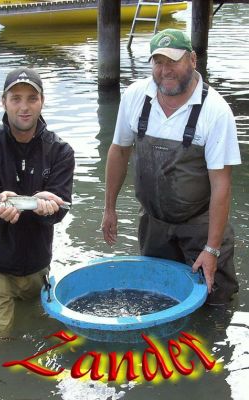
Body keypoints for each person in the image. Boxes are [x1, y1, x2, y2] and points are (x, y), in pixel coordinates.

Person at [102, 29, 241, 305]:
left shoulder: (215, 111)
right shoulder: (135, 96)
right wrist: (109, 208)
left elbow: (221, 185)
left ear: (192, 60)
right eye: (158, 62)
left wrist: (212, 249)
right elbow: (118, 150)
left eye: (173, 61)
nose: (165, 70)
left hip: (201, 225)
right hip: (154, 223)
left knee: (215, 303)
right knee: (155, 298)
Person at [0, 67, 75, 334]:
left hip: (36, 267)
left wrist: (49, 209)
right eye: (16, 98)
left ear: (42, 101)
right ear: (4, 102)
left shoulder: (61, 151)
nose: (24, 107)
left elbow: (60, 209)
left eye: (31, 98)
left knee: (37, 332)